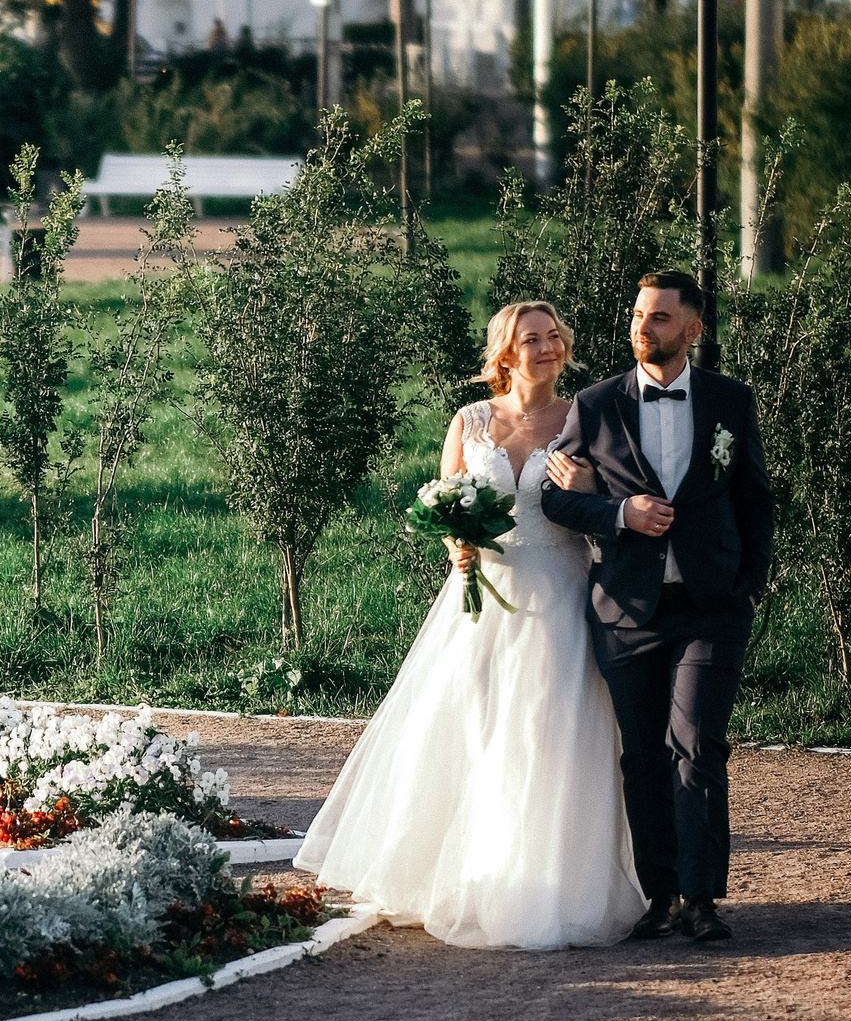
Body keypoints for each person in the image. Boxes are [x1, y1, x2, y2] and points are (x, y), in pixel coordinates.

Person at [295, 302, 649, 950]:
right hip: (483, 594)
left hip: (562, 593)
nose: (546, 348)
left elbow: (607, 508)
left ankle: (553, 887)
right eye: (530, 339)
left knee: (551, 734)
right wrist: (455, 547)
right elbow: (447, 501)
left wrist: (592, 484)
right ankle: (478, 877)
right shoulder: (471, 421)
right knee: (479, 731)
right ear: (505, 354)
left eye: (553, 338)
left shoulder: (586, 420)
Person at [540, 271, 774, 945]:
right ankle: (661, 894)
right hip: (626, 609)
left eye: (661, 317)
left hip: (712, 605)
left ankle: (702, 899)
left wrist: (748, 582)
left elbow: (756, 497)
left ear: (692, 330)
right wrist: (618, 512)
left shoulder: (732, 401)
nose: (644, 326)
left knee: (696, 743)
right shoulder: (595, 404)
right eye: (639, 314)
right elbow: (555, 497)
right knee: (643, 756)